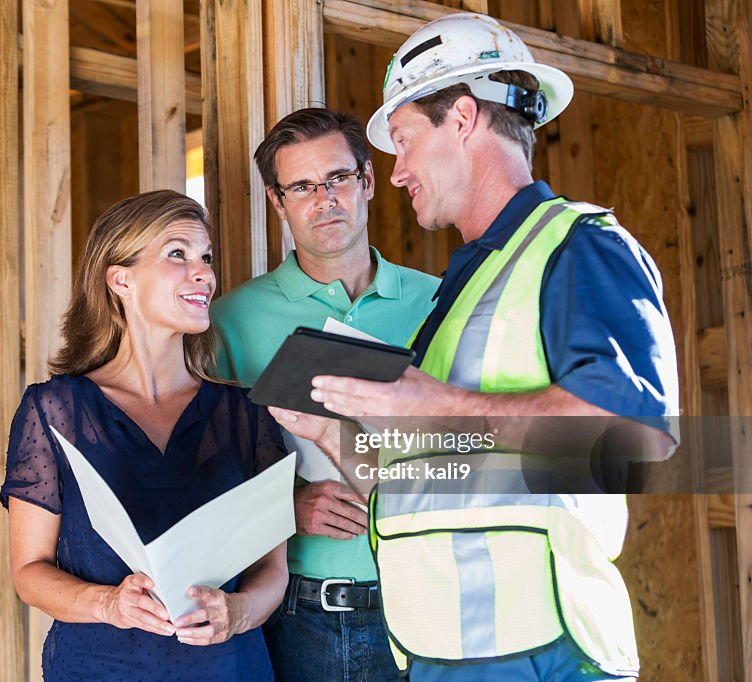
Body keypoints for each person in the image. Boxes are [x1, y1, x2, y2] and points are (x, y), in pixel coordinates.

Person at [270, 12, 679, 682]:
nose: (395, 173)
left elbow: (633, 440)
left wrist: (436, 410)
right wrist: (335, 440)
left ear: (462, 119)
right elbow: (439, 485)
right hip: (442, 655)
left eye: (402, 141)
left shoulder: (578, 247)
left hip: (543, 654)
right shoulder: (461, 291)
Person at [0, 190, 289, 681]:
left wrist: (237, 612)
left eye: (206, 257)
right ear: (121, 279)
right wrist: (108, 603)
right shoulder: (53, 410)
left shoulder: (245, 412)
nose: (203, 272)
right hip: (97, 669)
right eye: (178, 254)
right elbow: (29, 572)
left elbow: (272, 572)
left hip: (227, 669)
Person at [211, 107, 439, 681]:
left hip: (433, 600)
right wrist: (284, 510)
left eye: (338, 178)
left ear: (366, 182)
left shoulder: (440, 303)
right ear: (277, 201)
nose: (325, 199)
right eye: (303, 187)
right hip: (303, 616)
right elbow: (198, 474)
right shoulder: (231, 321)